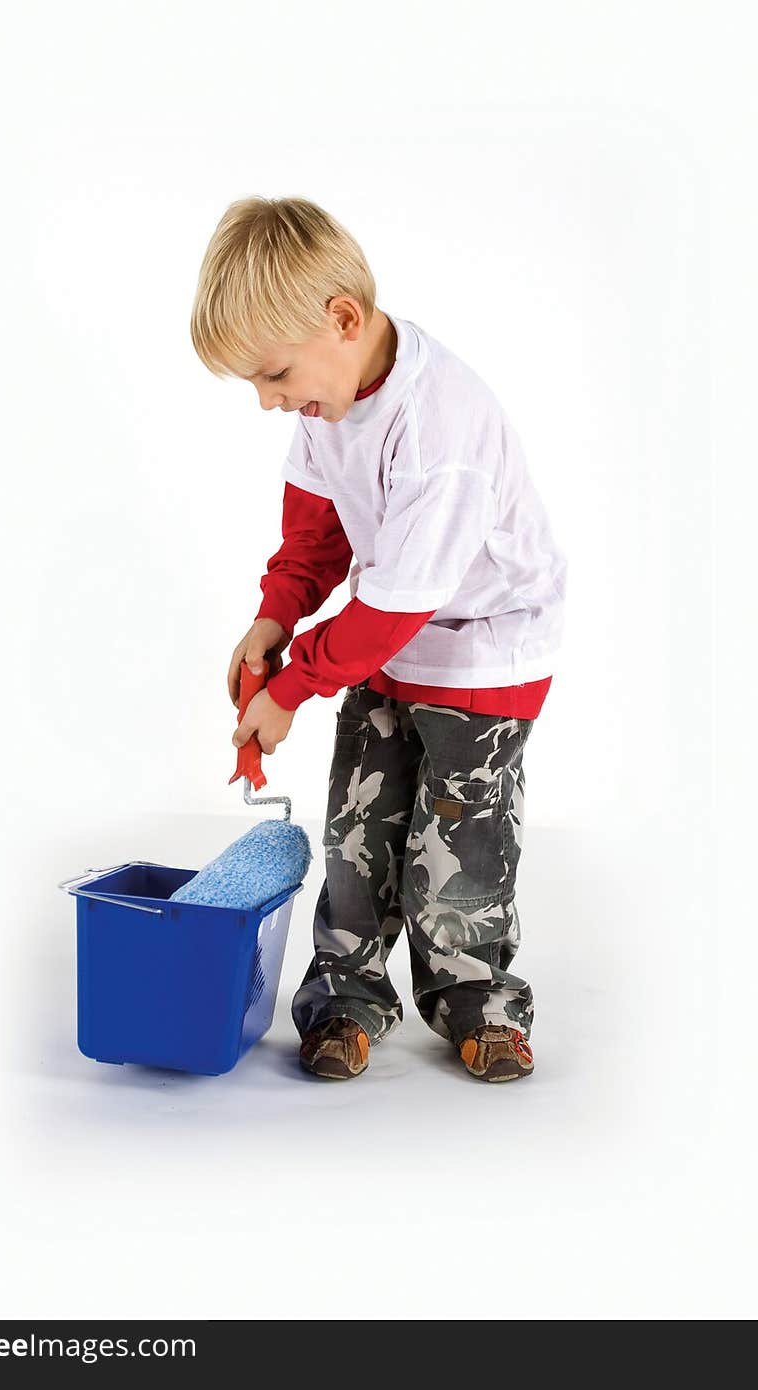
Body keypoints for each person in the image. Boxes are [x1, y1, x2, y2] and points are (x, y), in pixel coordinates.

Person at [190, 196, 567, 1083]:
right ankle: (347, 997)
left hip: (482, 657)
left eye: (274, 375)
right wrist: (276, 616)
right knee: (360, 832)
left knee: (456, 853)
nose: (269, 402)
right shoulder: (329, 403)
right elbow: (317, 532)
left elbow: (396, 606)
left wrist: (291, 690)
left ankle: (477, 999)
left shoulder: (443, 430)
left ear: (343, 321)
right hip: (386, 646)